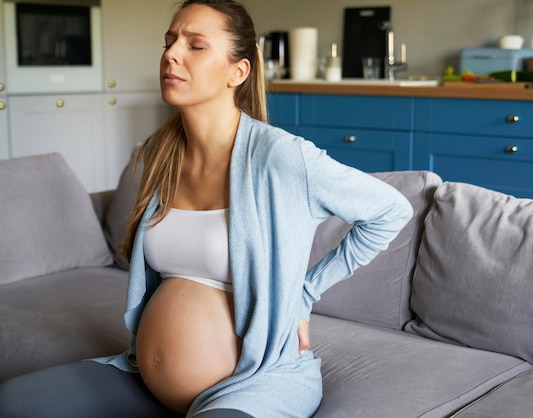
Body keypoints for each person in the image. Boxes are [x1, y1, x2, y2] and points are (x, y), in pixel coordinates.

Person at [0, 0, 412, 416]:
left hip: (252, 385)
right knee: (17, 401)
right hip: (143, 376)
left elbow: (391, 211)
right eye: (169, 41)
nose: (171, 54)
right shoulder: (159, 154)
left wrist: (303, 295)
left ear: (239, 71)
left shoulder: (281, 157)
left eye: (196, 45)